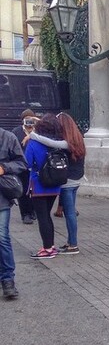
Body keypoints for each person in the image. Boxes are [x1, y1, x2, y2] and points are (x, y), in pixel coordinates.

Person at [31, 112, 85, 255]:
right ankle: (70, 242)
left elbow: (51, 143)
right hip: (77, 179)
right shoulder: (78, 138)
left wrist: (33, 135)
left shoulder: (67, 143)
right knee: (70, 211)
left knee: (69, 213)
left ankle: (73, 245)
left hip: (67, 181)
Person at [24, 113, 64, 259]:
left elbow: (27, 163)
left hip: (39, 184)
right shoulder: (59, 142)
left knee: (43, 218)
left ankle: (47, 249)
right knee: (47, 215)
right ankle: (51, 246)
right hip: (55, 184)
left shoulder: (33, 143)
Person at [0, 126, 28, 298]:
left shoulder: (7, 137)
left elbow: (22, 163)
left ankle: (7, 279)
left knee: (2, 238)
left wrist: (4, 168)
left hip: (1, 199)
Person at [10, 109, 38, 224]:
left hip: (36, 167)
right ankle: (25, 214)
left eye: (31, 119)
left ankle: (33, 210)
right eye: (27, 119)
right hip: (22, 166)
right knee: (23, 191)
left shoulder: (38, 131)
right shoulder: (16, 132)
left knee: (34, 190)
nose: (29, 122)